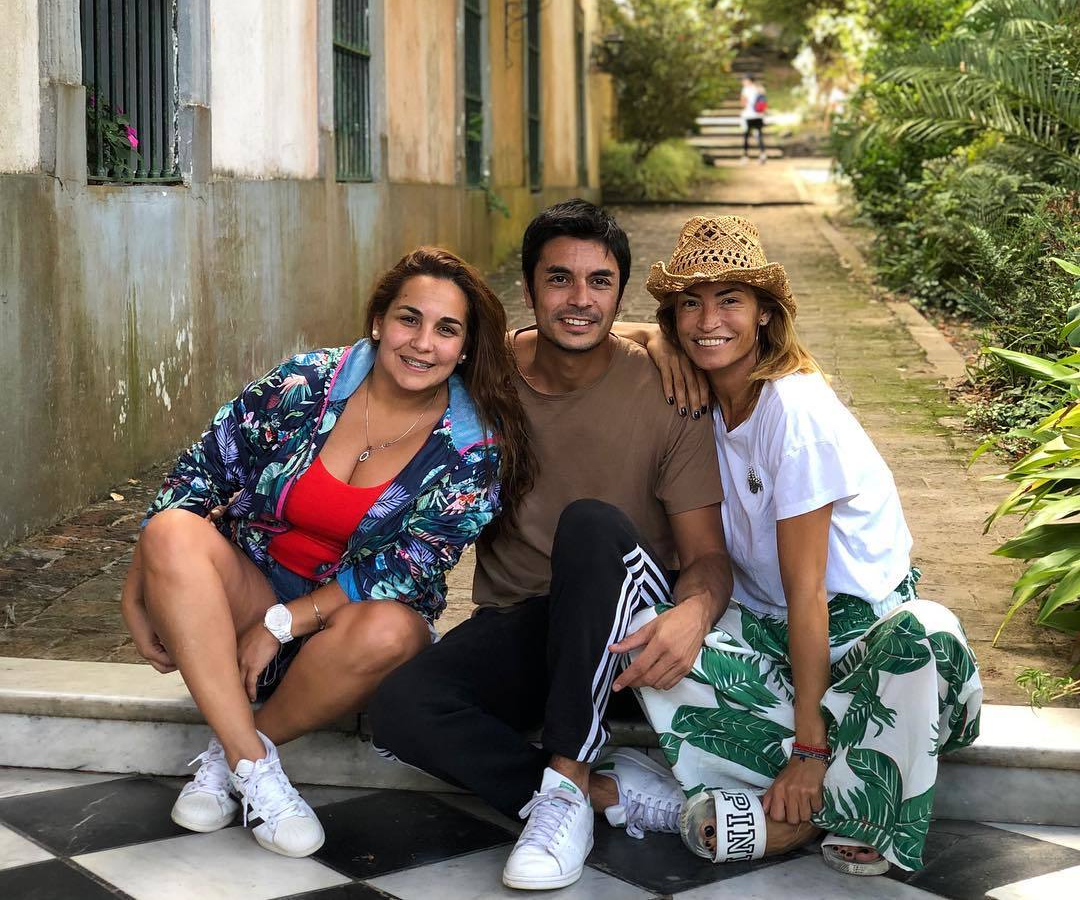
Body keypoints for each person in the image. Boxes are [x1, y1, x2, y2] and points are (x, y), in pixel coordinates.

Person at [369, 200, 731, 891]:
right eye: (559, 279)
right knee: (399, 709)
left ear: (619, 293)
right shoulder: (485, 377)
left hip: (631, 636)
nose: (579, 299)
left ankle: (563, 781)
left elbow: (708, 555)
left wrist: (694, 613)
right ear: (529, 288)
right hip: (526, 625)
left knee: (589, 525)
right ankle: (601, 794)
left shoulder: (668, 389)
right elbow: (391, 365)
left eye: (600, 282)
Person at [121, 247, 529, 859]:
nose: (423, 343)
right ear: (379, 321)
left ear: (466, 348)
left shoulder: (472, 447)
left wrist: (282, 624)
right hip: (244, 598)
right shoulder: (306, 382)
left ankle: (232, 754)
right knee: (171, 532)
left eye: (447, 330)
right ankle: (252, 764)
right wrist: (137, 586)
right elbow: (200, 473)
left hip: (349, 632)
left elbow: (409, 565)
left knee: (392, 632)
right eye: (409, 319)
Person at [631, 214, 982, 877]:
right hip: (767, 639)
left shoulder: (793, 410)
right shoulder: (701, 397)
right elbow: (579, 334)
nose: (709, 321)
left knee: (925, 639)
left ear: (764, 313)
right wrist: (653, 337)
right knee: (649, 634)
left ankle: (796, 806)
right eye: (690, 304)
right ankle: (857, 791)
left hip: (863, 643)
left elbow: (808, 593)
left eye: (729, 300)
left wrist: (809, 751)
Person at [739, 74, 767, 165]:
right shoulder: (760, 88)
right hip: (759, 115)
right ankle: (762, 155)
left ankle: (745, 156)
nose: (743, 82)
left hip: (749, 116)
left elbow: (743, 103)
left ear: (748, 80)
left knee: (746, 136)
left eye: (744, 80)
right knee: (759, 135)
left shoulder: (745, 89)